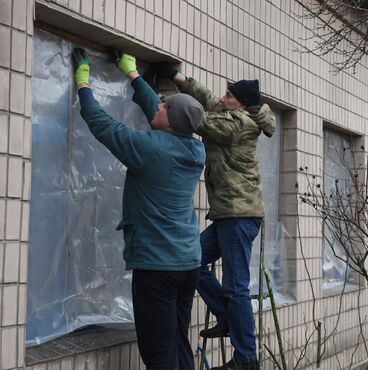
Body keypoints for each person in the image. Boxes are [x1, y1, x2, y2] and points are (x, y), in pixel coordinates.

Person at [72, 48, 205, 370]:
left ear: (171, 120)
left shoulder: (151, 150)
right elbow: (161, 112)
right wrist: (131, 74)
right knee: (176, 341)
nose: (158, 104)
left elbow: (101, 124)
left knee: (158, 352)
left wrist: (83, 82)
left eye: (165, 105)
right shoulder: (194, 148)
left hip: (158, 266)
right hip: (187, 263)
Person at [148, 64, 276, 370]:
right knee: (191, 260)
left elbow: (200, 120)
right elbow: (207, 99)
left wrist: (161, 103)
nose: (223, 97)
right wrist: (179, 78)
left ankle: (245, 359)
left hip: (238, 214)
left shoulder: (237, 123)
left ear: (241, 103)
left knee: (236, 286)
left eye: (229, 95)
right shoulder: (232, 111)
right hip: (227, 215)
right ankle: (225, 315)